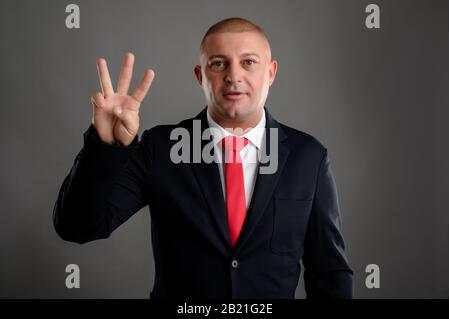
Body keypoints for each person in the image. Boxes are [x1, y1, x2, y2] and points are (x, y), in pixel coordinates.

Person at [53, 17, 353, 299]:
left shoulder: (308, 157)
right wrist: (105, 145)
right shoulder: (160, 148)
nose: (234, 75)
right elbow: (78, 227)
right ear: (200, 75)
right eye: (218, 63)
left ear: (271, 72)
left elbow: (329, 272)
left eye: (248, 62)